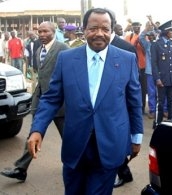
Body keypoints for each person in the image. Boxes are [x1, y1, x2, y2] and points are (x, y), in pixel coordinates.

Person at [27, 8, 144, 195]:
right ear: (84, 29)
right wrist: (37, 129)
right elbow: (51, 98)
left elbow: (134, 102)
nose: (99, 33)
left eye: (105, 29)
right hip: (75, 146)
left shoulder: (126, 59)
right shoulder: (66, 59)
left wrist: (136, 136)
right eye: (93, 28)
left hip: (109, 143)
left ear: (111, 30)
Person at [0, 21, 69, 181]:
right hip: (42, 101)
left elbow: (71, 75)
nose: (42, 35)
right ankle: (21, 169)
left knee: (69, 137)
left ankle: (77, 164)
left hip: (61, 103)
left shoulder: (63, 49)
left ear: (54, 32)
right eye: (40, 32)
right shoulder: (38, 50)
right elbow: (41, 75)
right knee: (34, 133)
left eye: (46, 31)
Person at [110, 15, 138, 188]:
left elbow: (132, 82)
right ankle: (124, 173)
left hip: (121, 105)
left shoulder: (126, 48)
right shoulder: (92, 46)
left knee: (117, 141)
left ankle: (124, 172)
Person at [151, 20, 172, 128]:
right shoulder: (156, 44)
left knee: (171, 100)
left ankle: (171, 122)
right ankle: (158, 123)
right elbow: (153, 63)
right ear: (165, 32)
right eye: (170, 31)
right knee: (160, 102)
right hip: (162, 78)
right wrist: (157, 78)